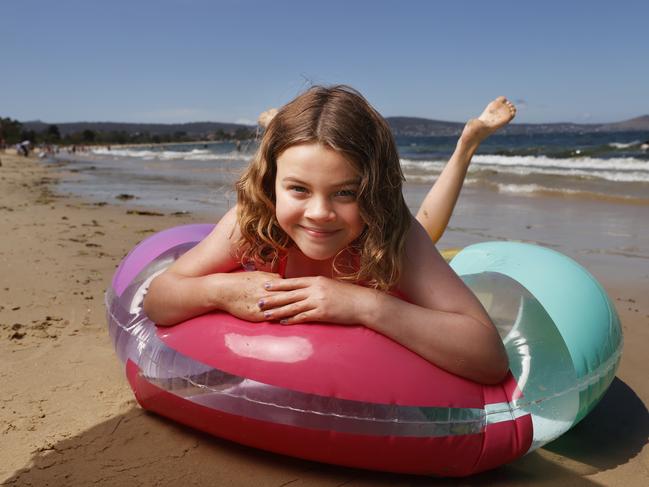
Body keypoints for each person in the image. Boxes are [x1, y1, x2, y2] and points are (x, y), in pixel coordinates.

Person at [144, 85, 514, 385]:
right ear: (271, 184)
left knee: (425, 227)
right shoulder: (253, 221)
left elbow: (489, 358)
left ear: (373, 191)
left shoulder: (390, 230)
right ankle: (279, 128)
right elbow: (158, 299)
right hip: (327, 212)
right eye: (299, 189)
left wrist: (362, 305)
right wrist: (220, 292)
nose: (320, 213)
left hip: (375, 243)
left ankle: (466, 144)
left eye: (345, 192)